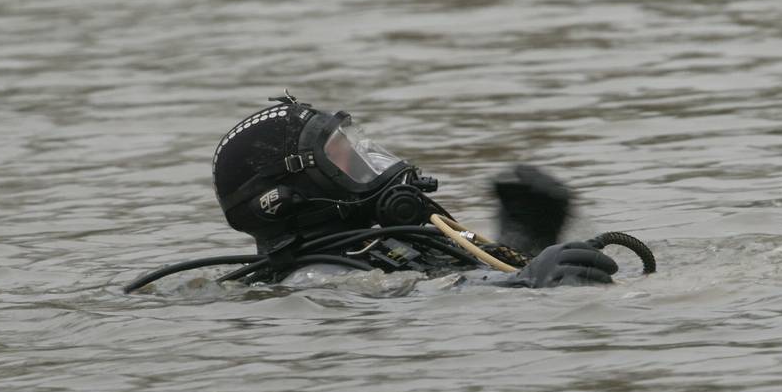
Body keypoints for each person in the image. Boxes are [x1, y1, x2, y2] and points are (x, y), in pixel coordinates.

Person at [124, 93, 652, 293]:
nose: (371, 166)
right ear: (288, 197)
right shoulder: (317, 278)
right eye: (343, 160)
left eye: (359, 149)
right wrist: (527, 288)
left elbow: (454, 282)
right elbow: (423, 308)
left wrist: (525, 242)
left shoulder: (387, 245)